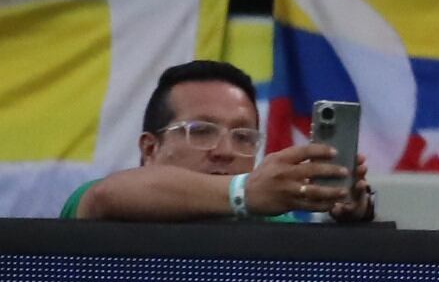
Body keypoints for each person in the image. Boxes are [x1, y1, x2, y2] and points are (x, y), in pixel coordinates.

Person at [63, 58, 374, 225]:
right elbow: (107, 195)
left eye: (243, 137)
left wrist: (352, 222)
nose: (225, 152)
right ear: (150, 148)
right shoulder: (105, 202)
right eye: (200, 131)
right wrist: (244, 193)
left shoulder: (278, 223)